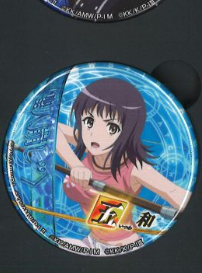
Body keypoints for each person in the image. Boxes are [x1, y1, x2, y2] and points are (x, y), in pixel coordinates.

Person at [56, 77, 190, 255]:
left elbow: (174, 192)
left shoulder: (135, 168)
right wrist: (75, 165)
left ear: (128, 131)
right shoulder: (92, 144)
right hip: (91, 242)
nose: (95, 133)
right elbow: (54, 129)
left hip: (123, 249)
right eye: (89, 121)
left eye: (111, 127)